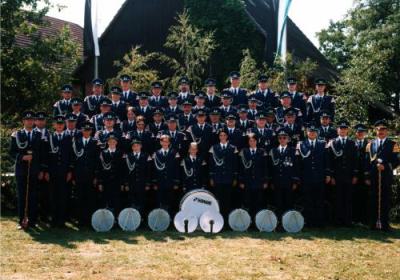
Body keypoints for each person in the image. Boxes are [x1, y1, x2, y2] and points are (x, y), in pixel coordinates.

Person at [10, 111, 45, 229]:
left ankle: (32, 221)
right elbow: (12, 152)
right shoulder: (16, 134)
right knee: (21, 196)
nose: (29, 121)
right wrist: (22, 157)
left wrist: (41, 170)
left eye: (31, 120)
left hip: (34, 169)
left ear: (34, 121)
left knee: (33, 196)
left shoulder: (38, 134)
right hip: (21, 170)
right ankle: (21, 220)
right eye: (27, 119)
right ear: (23, 121)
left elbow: (41, 153)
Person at [365, 120, 400, 231]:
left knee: (385, 199)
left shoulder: (393, 144)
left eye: (383, 130)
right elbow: (366, 161)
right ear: (376, 131)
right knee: (372, 199)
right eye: (379, 129)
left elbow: (397, 160)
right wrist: (366, 176)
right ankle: (373, 223)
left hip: (386, 176)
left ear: (387, 131)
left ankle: (384, 223)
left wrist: (386, 166)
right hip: (373, 176)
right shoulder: (370, 144)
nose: (381, 132)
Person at [297, 123, 331, 227]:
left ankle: (319, 222)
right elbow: (298, 163)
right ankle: (309, 222)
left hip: (319, 177)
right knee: (308, 200)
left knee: (319, 200)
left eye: (314, 132)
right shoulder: (301, 144)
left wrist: (328, 174)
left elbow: (327, 161)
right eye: (310, 132)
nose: (312, 133)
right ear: (307, 133)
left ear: (317, 133)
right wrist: (299, 177)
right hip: (306, 177)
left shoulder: (322, 144)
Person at [45, 115, 73, 227]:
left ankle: (62, 220)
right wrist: (46, 171)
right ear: (54, 125)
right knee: (52, 195)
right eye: (58, 124)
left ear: (64, 125)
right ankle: (53, 219)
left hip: (64, 171)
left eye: (61, 124)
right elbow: (46, 155)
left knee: (63, 196)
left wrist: (70, 171)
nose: (60, 126)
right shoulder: (50, 137)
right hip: (52, 171)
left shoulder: (68, 137)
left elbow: (71, 155)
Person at [328, 120, 358, 226]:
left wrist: (355, 175)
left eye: (345, 129)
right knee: (337, 198)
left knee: (348, 198)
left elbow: (355, 160)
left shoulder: (352, 143)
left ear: (348, 131)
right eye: (341, 129)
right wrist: (331, 176)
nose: (343, 131)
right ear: (337, 130)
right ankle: (337, 221)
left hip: (349, 176)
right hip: (337, 176)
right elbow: (330, 161)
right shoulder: (333, 143)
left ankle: (347, 221)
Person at [71, 122, 99, 226]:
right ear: (82, 131)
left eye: (89, 130)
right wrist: (73, 175)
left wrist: (96, 176)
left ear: (91, 131)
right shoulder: (76, 142)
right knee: (79, 197)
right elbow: (73, 160)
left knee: (90, 197)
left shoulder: (95, 142)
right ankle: (80, 220)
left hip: (91, 175)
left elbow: (97, 161)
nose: (87, 132)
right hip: (79, 174)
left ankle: (89, 220)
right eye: (85, 130)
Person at [269, 129, 299, 221]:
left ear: (288, 139)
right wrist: (271, 181)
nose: (282, 139)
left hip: (288, 181)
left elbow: (296, 167)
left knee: (288, 202)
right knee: (278, 203)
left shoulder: (293, 151)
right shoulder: (273, 151)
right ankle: (279, 222)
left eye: (284, 138)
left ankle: (288, 222)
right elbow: (270, 167)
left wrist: (295, 181)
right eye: (280, 138)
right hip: (277, 181)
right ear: (278, 139)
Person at [208, 129, 238, 218]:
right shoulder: (214, 148)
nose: (223, 137)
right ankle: (218, 218)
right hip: (218, 178)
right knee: (218, 199)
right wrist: (211, 177)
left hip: (228, 178)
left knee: (227, 200)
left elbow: (235, 164)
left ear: (227, 136)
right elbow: (211, 164)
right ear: (219, 137)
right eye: (221, 135)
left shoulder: (233, 148)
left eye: (224, 135)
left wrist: (235, 178)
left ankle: (226, 220)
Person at [238, 133, 268, 217]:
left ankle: (257, 220)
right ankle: (249, 221)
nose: (252, 142)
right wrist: (241, 181)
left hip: (258, 181)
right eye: (250, 141)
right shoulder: (244, 152)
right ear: (248, 142)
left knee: (258, 201)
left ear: (256, 141)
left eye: (253, 141)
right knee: (248, 201)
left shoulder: (262, 151)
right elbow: (241, 167)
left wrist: (265, 181)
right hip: (247, 181)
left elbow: (265, 167)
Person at [151, 135, 181, 213]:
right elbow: (154, 169)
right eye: (163, 141)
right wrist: (154, 182)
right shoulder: (156, 153)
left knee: (170, 199)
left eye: (167, 141)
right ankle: (160, 216)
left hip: (170, 181)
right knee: (159, 199)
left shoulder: (175, 153)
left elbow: (177, 169)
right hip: (160, 181)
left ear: (169, 143)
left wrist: (176, 182)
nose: (165, 143)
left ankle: (169, 216)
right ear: (160, 142)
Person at [97, 134, 124, 216]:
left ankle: (116, 217)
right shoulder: (103, 153)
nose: (112, 143)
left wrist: (122, 183)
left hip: (117, 180)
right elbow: (100, 169)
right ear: (107, 142)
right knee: (106, 198)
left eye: (114, 141)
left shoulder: (120, 153)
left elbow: (123, 169)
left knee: (116, 199)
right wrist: (100, 182)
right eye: (110, 141)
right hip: (106, 180)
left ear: (116, 142)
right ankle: (107, 218)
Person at [123, 138, 152, 214]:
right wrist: (126, 184)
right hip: (131, 183)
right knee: (131, 200)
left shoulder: (146, 156)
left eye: (138, 146)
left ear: (141, 146)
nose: (136, 147)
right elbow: (125, 171)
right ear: (132, 147)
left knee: (141, 200)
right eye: (134, 146)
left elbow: (148, 171)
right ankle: (133, 218)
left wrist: (148, 183)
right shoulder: (128, 156)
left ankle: (141, 217)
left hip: (142, 183)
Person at [352, 123, 370, 224]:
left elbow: (370, 161)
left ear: (365, 133)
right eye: (358, 132)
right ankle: (354, 218)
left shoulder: (369, 144)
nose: (360, 134)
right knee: (354, 196)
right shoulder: (351, 143)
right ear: (355, 133)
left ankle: (364, 219)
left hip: (365, 175)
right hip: (354, 175)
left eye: (362, 132)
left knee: (365, 197)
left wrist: (367, 176)